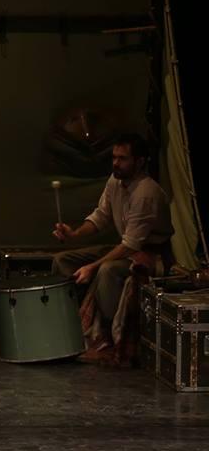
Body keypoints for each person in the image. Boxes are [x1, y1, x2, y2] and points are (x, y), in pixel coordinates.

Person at [52, 133, 173, 363]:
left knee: (107, 270)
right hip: (127, 249)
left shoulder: (146, 193)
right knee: (63, 260)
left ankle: (107, 336)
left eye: (122, 158)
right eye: (114, 157)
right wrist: (74, 234)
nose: (115, 163)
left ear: (139, 161)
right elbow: (101, 217)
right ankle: (69, 328)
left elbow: (131, 245)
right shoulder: (114, 181)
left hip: (150, 255)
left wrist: (92, 267)